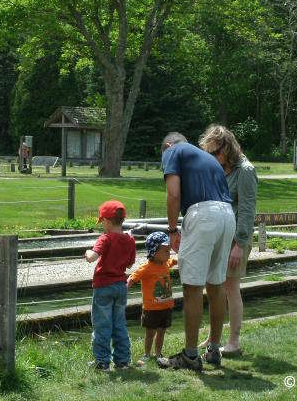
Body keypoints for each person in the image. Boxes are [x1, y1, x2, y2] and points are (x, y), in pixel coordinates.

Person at [157, 132, 235, 372]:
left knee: (192, 287)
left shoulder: (172, 150)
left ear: (168, 145)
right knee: (216, 285)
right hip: (226, 214)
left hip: (202, 215)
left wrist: (172, 230)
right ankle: (213, 349)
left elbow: (173, 194)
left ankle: (190, 355)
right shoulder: (209, 158)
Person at [199, 125, 258, 357]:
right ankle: (213, 337)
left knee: (231, 288)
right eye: (209, 153)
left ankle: (233, 342)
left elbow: (246, 210)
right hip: (218, 237)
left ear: (227, 147)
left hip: (235, 240)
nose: (212, 158)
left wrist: (239, 245)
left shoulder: (245, 171)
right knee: (215, 287)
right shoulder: (220, 168)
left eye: (215, 153)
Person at [84, 200, 136, 371]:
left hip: (104, 287)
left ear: (106, 220)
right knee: (119, 323)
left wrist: (87, 252)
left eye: (102, 222)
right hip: (121, 286)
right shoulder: (129, 240)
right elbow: (129, 264)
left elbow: (92, 257)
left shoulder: (105, 238)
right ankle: (122, 361)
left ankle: (102, 361)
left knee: (102, 325)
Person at [127, 231, 177, 366]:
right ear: (154, 252)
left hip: (166, 306)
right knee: (150, 333)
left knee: (161, 332)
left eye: (169, 250)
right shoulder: (147, 268)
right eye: (166, 251)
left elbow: (174, 261)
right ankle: (147, 353)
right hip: (151, 308)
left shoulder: (166, 263)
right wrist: (128, 284)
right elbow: (134, 276)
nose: (169, 253)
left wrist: (181, 258)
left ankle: (158, 353)